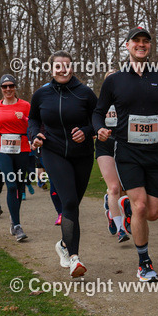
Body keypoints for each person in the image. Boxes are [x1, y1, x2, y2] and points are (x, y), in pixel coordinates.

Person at [95, 27, 158, 282]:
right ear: (127, 46)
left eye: (146, 41)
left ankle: (126, 207)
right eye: (137, 41)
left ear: (149, 47)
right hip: (128, 151)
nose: (141, 45)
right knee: (141, 205)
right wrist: (99, 128)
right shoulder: (115, 80)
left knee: (153, 212)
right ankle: (144, 262)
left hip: (155, 152)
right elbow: (98, 111)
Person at [28, 51, 99, 278]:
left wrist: (87, 132)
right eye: (58, 66)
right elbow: (33, 120)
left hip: (83, 154)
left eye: (66, 66)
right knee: (68, 202)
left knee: (73, 206)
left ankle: (63, 244)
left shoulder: (85, 93)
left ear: (72, 68)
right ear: (51, 69)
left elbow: (97, 120)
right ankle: (74, 258)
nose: (62, 70)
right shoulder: (41, 94)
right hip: (53, 151)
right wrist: (33, 136)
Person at [0, 74, 30, 242]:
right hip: (2, 147)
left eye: (11, 86)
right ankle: (18, 226)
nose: (8, 89)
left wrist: (25, 118)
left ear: (15, 87)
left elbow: (34, 123)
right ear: (1, 89)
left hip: (22, 147)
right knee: (11, 185)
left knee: (19, 186)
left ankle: (14, 222)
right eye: (4, 86)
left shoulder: (25, 105)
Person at [94, 71, 129, 244]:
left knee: (124, 189)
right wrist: (97, 130)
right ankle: (120, 229)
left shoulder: (128, 100)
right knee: (114, 188)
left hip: (124, 144)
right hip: (104, 145)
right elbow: (92, 120)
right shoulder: (99, 102)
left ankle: (111, 209)